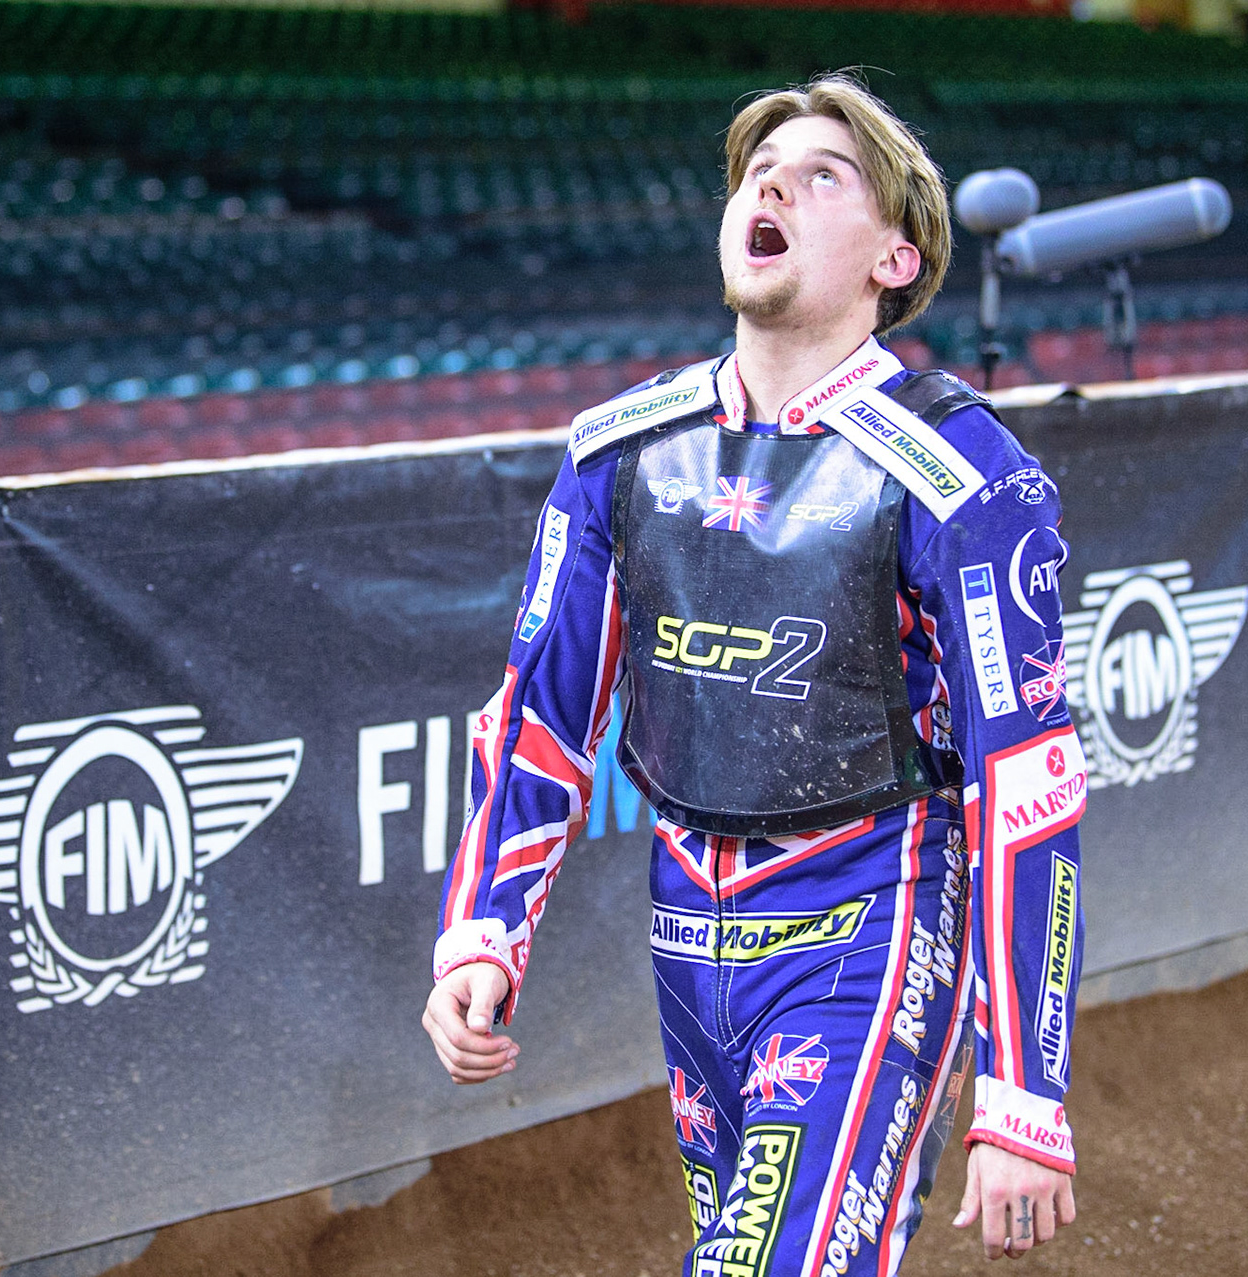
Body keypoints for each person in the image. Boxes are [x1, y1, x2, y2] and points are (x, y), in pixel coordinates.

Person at [422, 73, 1087, 1274]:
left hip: (874, 920)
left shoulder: (965, 472)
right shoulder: (617, 447)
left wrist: (1024, 1091)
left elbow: (1026, 786)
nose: (771, 182)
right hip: (685, 933)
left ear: (897, 256)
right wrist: (482, 931)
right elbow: (541, 715)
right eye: (756, 170)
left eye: (821, 173)